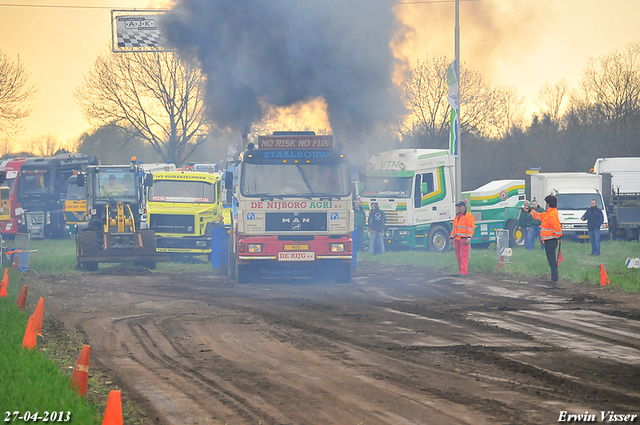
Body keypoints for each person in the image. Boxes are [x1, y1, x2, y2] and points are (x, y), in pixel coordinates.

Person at [527, 194, 562, 283]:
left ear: (548, 204)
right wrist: (530, 211)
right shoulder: (548, 213)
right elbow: (539, 216)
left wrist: (558, 237)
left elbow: (557, 228)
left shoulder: (552, 215)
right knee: (551, 260)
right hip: (548, 241)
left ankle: (554, 279)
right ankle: (554, 278)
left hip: (551, 241)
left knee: (552, 261)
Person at [450, 201, 475, 276]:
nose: (458, 208)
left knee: (463, 256)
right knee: (458, 256)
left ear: (464, 207)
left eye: (460, 207)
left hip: (464, 239)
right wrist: (451, 237)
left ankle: (463, 272)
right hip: (457, 239)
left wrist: (469, 238)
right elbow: (454, 229)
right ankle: (461, 270)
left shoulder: (469, 217)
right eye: (458, 207)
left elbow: (470, 228)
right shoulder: (457, 217)